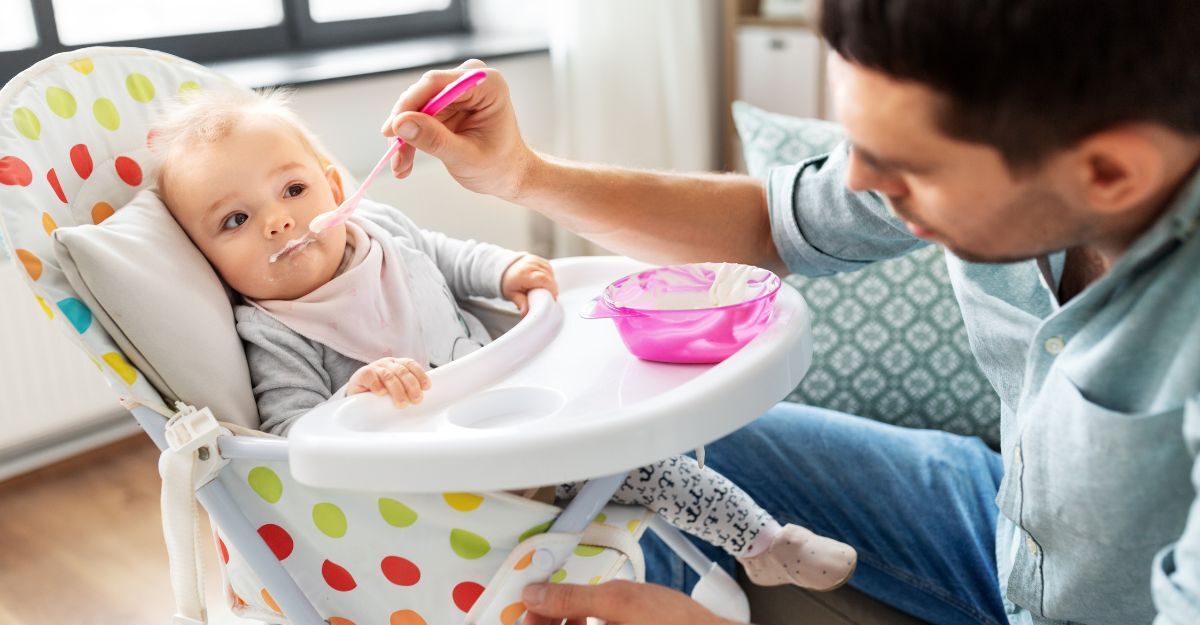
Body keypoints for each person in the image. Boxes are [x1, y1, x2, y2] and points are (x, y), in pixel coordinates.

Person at [376, 1, 1200, 624]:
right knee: (636, 442)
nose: (862, 186)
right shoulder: (1027, 146)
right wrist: (522, 174)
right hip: (1002, 516)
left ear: (1110, 172)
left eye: (907, 171)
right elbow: (779, 221)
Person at [150, 87, 859, 594]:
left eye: (294, 190)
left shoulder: (384, 233)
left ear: (338, 187)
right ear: (206, 260)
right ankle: (749, 544)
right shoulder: (273, 329)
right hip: (448, 484)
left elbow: (451, 255)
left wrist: (506, 268)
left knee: (644, 453)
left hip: (515, 406)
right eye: (234, 220)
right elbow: (293, 439)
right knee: (618, 472)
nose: (277, 220)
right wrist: (355, 394)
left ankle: (765, 541)